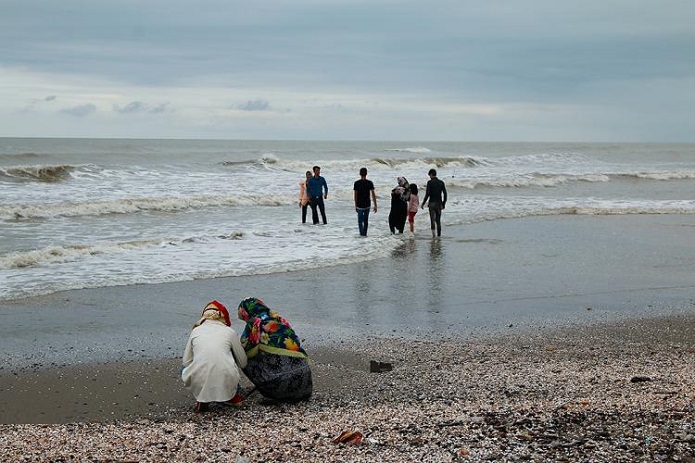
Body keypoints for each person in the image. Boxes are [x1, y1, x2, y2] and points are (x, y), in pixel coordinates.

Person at [237, 297, 313, 402]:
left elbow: (246, 351)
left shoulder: (255, 324)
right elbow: (296, 341)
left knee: (243, 358)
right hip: (305, 383)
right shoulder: (279, 319)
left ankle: (272, 391)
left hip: (279, 387)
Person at [181, 300, 248, 413]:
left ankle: (201, 397)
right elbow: (243, 363)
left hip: (200, 377)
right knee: (226, 359)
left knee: (184, 368)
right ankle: (232, 397)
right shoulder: (229, 331)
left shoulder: (196, 331)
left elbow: (186, 362)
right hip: (227, 375)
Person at [421, 168, 448, 237]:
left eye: (429, 175)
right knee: (438, 220)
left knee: (432, 220)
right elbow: (445, 194)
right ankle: (439, 235)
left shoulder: (429, 182)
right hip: (439, 203)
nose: (429, 177)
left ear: (431, 174)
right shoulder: (441, 182)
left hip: (432, 203)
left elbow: (427, 194)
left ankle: (433, 236)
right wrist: (444, 203)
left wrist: (423, 203)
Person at [353, 167, 377, 236]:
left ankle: (362, 234)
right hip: (367, 204)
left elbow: (355, 195)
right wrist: (375, 205)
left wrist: (355, 205)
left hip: (359, 205)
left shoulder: (356, 183)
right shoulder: (370, 183)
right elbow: (373, 195)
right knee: (366, 221)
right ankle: (364, 234)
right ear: (366, 174)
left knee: (360, 221)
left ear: (360, 174)